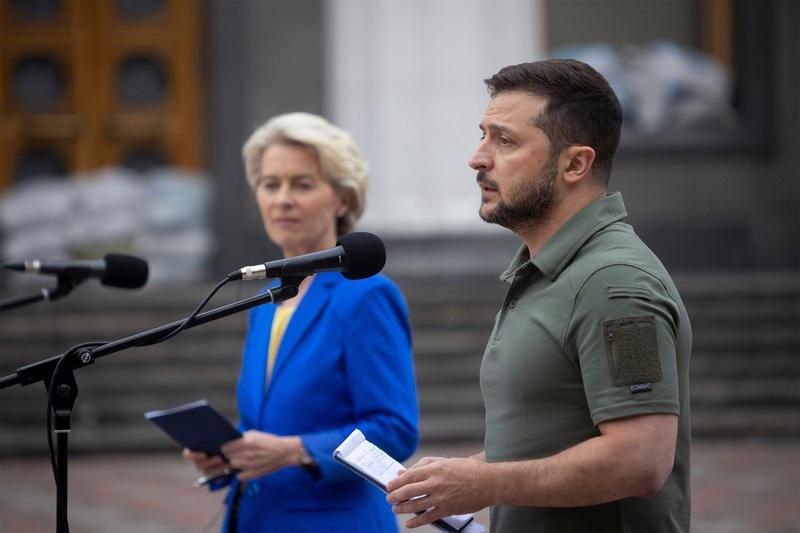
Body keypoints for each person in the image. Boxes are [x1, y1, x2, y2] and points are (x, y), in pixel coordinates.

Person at [386, 59, 692, 532]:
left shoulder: (615, 283)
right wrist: (463, 475)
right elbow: (553, 436)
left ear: (575, 164)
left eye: (504, 140)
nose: (478, 158)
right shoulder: (551, 269)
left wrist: (487, 483)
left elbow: (640, 459)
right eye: (483, 135)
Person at [184, 112, 419, 532]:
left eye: (302, 184)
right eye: (270, 184)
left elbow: (395, 431)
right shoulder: (266, 300)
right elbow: (266, 425)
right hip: (255, 519)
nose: (282, 199)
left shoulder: (366, 296)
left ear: (342, 199)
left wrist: (294, 451)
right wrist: (227, 453)